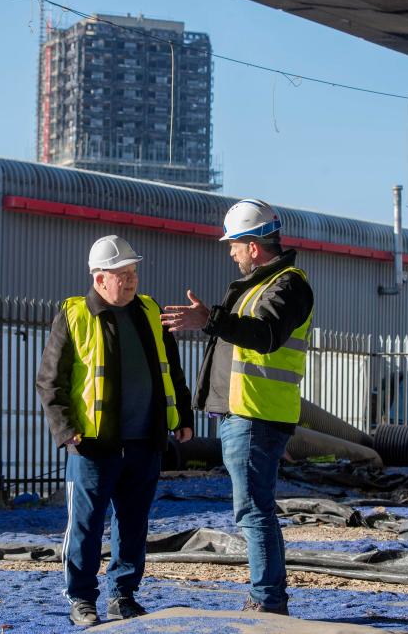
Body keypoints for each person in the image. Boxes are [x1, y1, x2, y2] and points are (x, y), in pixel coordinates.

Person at [160, 199, 314, 615]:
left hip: (256, 415)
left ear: (252, 244)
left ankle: (267, 601)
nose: (230, 252)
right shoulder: (261, 285)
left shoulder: (289, 285)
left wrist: (209, 319)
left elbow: (265, 336)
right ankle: (269, 597)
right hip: (244, 415)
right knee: (255, 510)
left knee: (253, 511)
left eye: (234, 244)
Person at [37, 234, 194, 627]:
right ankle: (81, 600)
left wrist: (184, 417)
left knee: (133, 524)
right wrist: (65, 429)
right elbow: (49, 381)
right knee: (85, 528)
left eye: (133, 272)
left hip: (145, 440)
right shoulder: (74, 316)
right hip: (93, 445)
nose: (130, 280)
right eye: (122, 274)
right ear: (99, 278)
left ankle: (123, 596)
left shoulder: (148, 311)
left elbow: (172, 370)